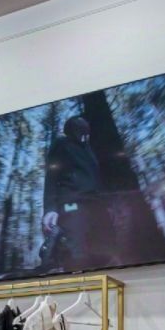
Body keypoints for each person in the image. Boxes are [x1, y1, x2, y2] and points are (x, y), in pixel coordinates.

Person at [41, 116, 109, 270]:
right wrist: (50, 209)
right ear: (71, 126)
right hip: (73, 204)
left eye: (85, 121)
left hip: (96, 206)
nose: (84, 123)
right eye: (79, 120)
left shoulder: (89, 150)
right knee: (77, 255)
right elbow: (51, 176)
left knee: (103, 253)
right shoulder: (62, 144)